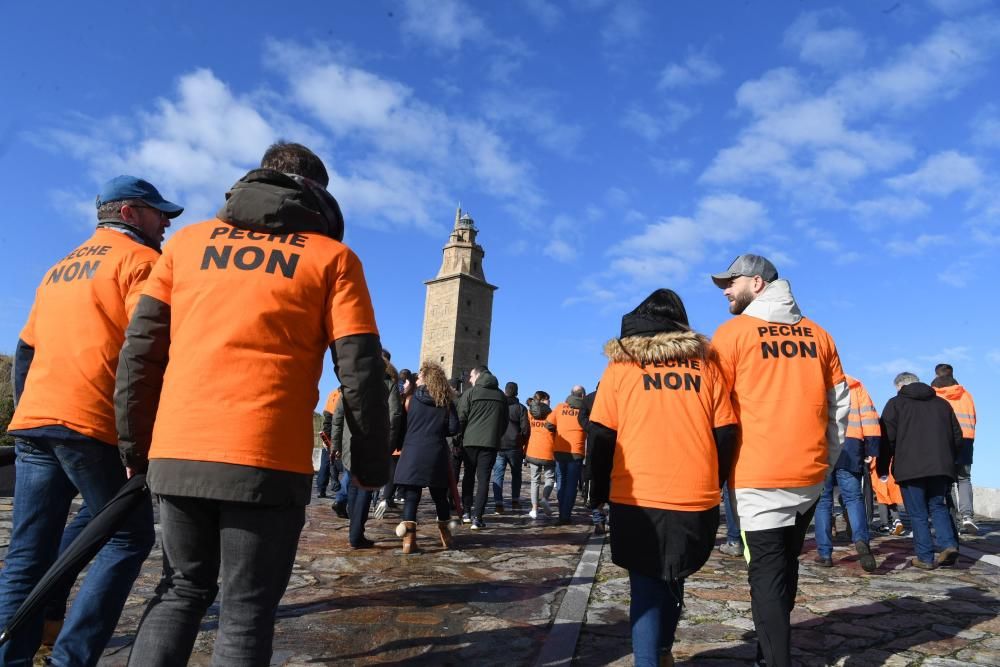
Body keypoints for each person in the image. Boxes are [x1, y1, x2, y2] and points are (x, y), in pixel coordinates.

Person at [116, 142, 390, 665]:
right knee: (245, 611)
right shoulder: (333, 258)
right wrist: (371, 466)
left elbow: (141, 354)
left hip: (179, 451)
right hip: (267, 457)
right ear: (317, 196)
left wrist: (135, 444)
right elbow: (360, 373)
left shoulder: (187, 245)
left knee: (179, 591)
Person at [0, 175, 180, 666]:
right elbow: (143, 354)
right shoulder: (142, 263)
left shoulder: (59, 268)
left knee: (26, 554)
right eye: (157, 211)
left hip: (37, 420)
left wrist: (25, 411)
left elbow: (25, 349)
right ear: (128, 214)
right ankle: (70, 659)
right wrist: (138, 439)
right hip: (92, 420)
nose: (165, 222)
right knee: (129, 535)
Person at [710, 254, 850, 667]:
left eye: (730, 282)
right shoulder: (820, 335)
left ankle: (772, 660)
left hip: (757, 476)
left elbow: (715, 407)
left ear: (757, 283)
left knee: (767, 575)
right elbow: (839, 405)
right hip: (808, 475)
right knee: (785, 566)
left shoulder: (732, 334)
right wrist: (825, 461)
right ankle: (766, 653)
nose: (725, 290)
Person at [588, 289, 738, 667]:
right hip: (694, 494)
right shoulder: (706, 367)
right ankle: (664, 651)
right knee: (676, 576)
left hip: (636, 493)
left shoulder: (622, 367)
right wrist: (715, 478)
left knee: (644, 585)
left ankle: (649, 659)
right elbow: (726, 432)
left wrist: (597, 489)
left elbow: (602, 432)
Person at [878, 372, 962, 569]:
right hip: (940, 467)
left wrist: (882, 467)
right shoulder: (942, 404)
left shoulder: (896, 404)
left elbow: (886, 439)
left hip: (910, 468)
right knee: (938, 506)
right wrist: (949, 460)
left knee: (917, 513)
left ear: (900, 387)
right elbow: (957, 436)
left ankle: (925, 557)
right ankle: (948, 545)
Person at [333, 350, 403, 547]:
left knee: (355, 488)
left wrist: (336, 444)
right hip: (373, 444)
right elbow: (394, 417)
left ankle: (354, 532)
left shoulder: (351, 382)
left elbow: (338, 416)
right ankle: (356, 534)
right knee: (364, 489)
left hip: (350, 443)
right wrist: (387, 446)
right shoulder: (389, 385)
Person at [813, 374, 880, 571]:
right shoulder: (856, 386)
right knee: (853, 498)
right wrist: (871, 449)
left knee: (823, 502)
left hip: (823, 447)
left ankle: (825, 553)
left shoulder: (816, 382)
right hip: (851, 447)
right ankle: (861, 540)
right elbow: (869, 418)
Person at [392, 362, 460, 553]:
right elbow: (454, 428)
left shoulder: (409, 399)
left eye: (420, 376)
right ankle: (446, 537)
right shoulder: (446, 401)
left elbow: (401, 425)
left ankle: (409, 542)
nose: (417, 379)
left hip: (412, 451)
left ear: (426, 378)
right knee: (440, 497)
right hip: (436, 452)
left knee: (411, 496)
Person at [456, 366, 507, 529]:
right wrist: (495, 436)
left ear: (478, 375)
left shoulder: (470, 393)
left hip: (470, 441)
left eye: (471, 376)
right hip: (490, 443)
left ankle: (466, 513)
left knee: (469, 477)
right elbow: (504, 422)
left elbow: (461, 418)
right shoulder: (501, 395)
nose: (469, 380)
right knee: (484, 479)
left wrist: (459, 438)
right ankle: (478, 518)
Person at [932, 364, 978, 535]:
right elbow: (974, 416)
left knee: (947, 480)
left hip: (945, 441)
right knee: (964, 478)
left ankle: (951, 521)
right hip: (966, 440)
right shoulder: (966, 394)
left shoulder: (935, 394)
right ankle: (967, 516)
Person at [548, 386, 587, 525]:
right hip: (576, 451)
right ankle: (565, 515)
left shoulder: (560, 407)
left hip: (560, 450)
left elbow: (549, 425)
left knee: (561, 482)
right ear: (582, 395)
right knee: (571, 485)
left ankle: (561, 513)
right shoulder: (585, 410)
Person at [491, 381, 529, 514]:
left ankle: (498, 504)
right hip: (515, 446)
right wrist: (522, 442)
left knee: (498, 475)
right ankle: (515, 501)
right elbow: (525, 430)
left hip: (499, 445)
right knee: (516, 475)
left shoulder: (498, 406)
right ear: (517, 392)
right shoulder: (521, 408)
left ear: (505, 391)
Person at [577, 386, 608, 534]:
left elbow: (581, 417)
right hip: (615, 443)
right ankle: (608, 521)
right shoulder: (615, 396)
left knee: (595, 483)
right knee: (613, 484)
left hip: (595, 443)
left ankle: (598, 520)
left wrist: (591, 429)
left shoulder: (589, 398)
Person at [524, 391, 557, 519]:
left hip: (533, 450)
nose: (550, 402)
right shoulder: (552, 414)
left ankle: (534, 509)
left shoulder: (530, 413)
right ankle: (544, 498)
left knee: (534, 481)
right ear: (544, 400)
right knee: (549, 478)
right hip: (548, 450)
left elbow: (526, 430)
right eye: (548, 399)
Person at [316, 388, 341, 498]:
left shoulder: (332, 394)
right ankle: (337, 486)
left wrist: (326, 438)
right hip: (339, 434)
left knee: (326, 462)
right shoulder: (347, 394)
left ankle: (321, 489)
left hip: (329, 433)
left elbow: (327, 418)